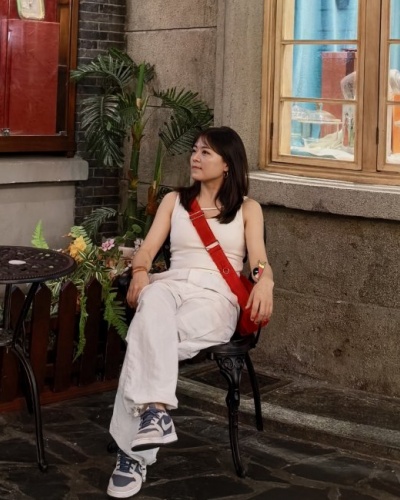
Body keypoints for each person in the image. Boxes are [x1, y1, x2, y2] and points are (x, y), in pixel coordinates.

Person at [107, 126, 274, 498]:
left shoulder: (248, 209)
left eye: (206, 152)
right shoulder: (174, 201)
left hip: (216, 297)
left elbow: (258, 261)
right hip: (172, 284)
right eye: (195, 150)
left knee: (146, 339)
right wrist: (140, 271)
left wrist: (265, 280)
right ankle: (156, 413)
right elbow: (148, 249)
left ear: (227, 164)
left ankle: (131, 455)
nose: (195, 158)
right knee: (153, 301)